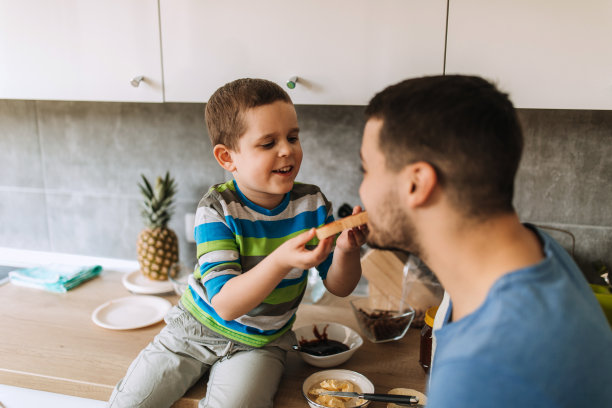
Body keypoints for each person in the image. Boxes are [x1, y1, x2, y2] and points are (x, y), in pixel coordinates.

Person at [108, 78, 366, 408]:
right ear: (228, 157)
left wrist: (347, 250)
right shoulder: (217, 208)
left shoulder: (312, 204)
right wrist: (281, 260)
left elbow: (340, 287)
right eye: (267, 143)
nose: (286, 149)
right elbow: (227, 305)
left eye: (292, 137)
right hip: (195, 330)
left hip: (262, 342)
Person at [358, 75, 612, 408]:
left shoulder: (482, 370)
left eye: (365, 169)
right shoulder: (537, 249)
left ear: (416, 184)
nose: (361, 190)